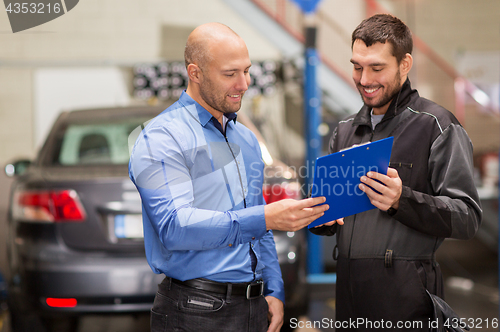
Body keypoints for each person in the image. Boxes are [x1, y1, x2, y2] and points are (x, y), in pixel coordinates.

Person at [129, 22, 329, 332]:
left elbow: (258, 229)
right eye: (230, 74)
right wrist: (264, 217)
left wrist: (273, 289)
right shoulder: (163, 138)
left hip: (251, 307)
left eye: (246, 71)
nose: (244, 84)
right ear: (195, 73)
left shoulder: (246, 141)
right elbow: (174, 227)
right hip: (194, 311)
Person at [311, 14, 482, 330]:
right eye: (357, 66)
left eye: (377, 68)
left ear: (405, 65)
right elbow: (331, 216)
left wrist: (400, 200)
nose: (364, 79)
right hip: (350, 298)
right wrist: (320, 216)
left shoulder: (436, 127)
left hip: (407, 300)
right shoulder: (345, 131)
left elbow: (467, 217)